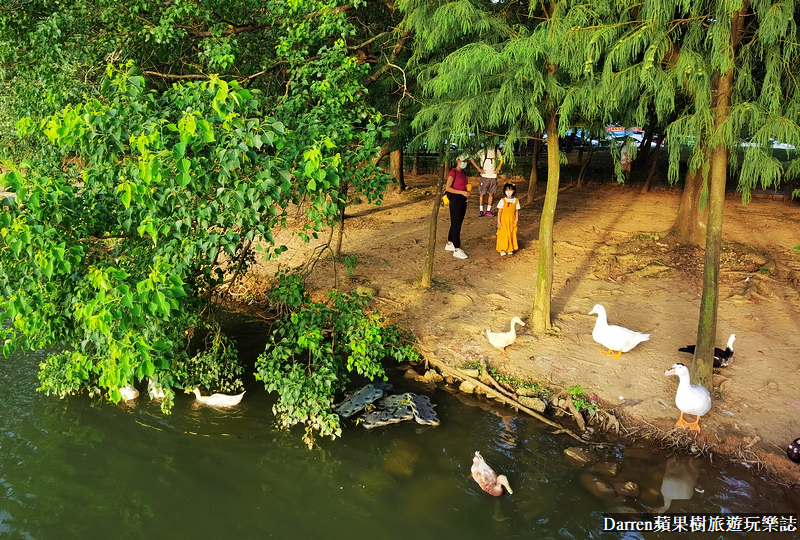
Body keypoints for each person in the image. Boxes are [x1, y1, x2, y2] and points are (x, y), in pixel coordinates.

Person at [444, 156, 472, 259]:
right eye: (463, 161)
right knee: (456, 223)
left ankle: (450, 242)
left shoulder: (463, 173)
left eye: (466, 161)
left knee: (458, 221)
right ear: (458, 161)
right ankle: (457, 248)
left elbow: (463, 183)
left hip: (463, 198)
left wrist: (466, 190)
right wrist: (461, 192)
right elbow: (448, 188)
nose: (464, 163)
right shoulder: (453, 172)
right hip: (455, 198)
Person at [471, 145, 503, 217]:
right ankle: (481, 210)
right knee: (482, 194)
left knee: (491, 194)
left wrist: (498, 168)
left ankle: (488, 210)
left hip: (493, 176)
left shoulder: (496, 151)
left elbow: (502, 160)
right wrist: (479, 169)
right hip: (484, 176)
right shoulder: (482, 151)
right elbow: (472, 159)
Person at [495, 182, 520, 256]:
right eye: (507, 190)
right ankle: (502, 249)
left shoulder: (516, 201)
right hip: (504, 220)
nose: (509, 192)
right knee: (503, 234)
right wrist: (498, 221)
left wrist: (516, 220)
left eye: (510, 190)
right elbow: (500, 211)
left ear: (514, 191)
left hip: (512, 220)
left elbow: (516, 211)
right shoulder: (502, 200)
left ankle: (510, 248)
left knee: (512, 233)